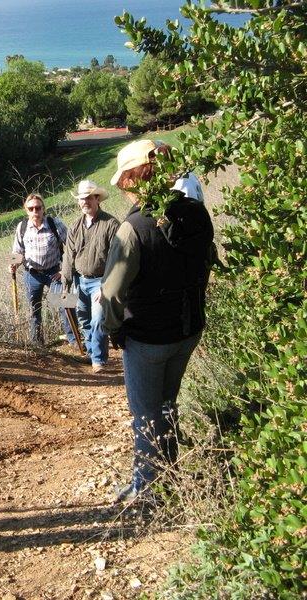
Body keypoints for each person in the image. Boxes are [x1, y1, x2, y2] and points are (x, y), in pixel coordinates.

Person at [100, 139, 214, 502]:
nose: (123, 188)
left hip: (147, 337)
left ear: (135, 178)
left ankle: (150, 489)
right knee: (167, 404)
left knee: (146, 415)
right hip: (188, 329)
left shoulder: (133, 228)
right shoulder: (196, 213)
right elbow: (207, 261)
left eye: (125, 180)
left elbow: (111, 293)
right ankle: (170, 476)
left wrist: (113, 329)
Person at [61, 180, 120, 373]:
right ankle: (92, 352)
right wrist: (65, 286)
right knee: (84, 320)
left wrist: (106, 286)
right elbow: (68, 257)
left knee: (98, 320)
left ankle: (98, 360)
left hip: (101, 281)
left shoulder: (111, 224)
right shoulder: (75, 226)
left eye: (88, 198)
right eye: (81, 198)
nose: (85, 202)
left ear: (97, 199)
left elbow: (118, 259)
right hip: (80, 281)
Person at [9, 192, 76, 348]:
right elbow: (17, 252)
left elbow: (72, 248)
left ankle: (75, 340)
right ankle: (38, 346)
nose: (35, 212)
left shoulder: (54, 223)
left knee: (66, 304)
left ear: (43, 208)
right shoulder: (22, 227)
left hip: (54, 273)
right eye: (31, 209)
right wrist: (13, 264)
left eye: (38, 208)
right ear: (26, 210)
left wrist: (64, 270)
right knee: (34, 311)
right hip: (32, 275)